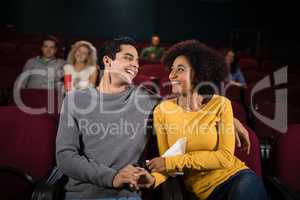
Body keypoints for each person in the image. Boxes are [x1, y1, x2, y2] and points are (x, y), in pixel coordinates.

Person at [56, 37, 251, 199]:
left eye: (137, 61)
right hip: (83, 195)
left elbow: (189, 108)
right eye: (128, 58)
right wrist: (113, 177)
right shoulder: (75, 101)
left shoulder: (148, 102)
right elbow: (65, 156)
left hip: (125, 195)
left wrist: (231, 119)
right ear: (107, 61)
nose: (135, 64)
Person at [138, 40, 267, 200]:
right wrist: (153, 180)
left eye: (180, 69)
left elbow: (225, 158)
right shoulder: (162, 111)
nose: (171, 76)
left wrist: (172, 162)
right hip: (204, 193)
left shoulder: (221, 104)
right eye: (171, 70)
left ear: (198, 74)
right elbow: (168, 163)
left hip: (237, 178)